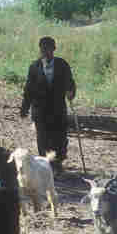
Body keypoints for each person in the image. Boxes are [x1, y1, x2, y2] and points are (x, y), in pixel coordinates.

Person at [20, 36, 76, 170]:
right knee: (43, 139)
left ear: (54, 49)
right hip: (40, 110)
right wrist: (25, 107)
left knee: (60, 139)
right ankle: (45, 166)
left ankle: (57, 164)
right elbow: (29, 89)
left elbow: (70, 82)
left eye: (48, 48)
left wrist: (71, 92)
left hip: (58, 109)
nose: (45, 51)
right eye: (43, 49)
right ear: (40, 50)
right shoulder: (34, 67)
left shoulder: (62, 64)